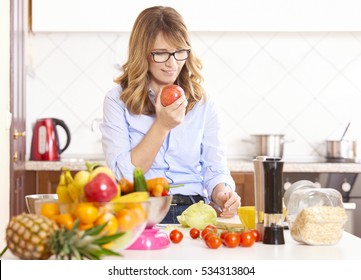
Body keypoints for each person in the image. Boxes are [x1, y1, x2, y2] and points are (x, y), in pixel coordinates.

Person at [100, 6, 241, 223]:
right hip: (141, 210)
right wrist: (162, 126)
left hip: (194, 211)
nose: (172, 63)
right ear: (142, 52)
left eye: (179, 52)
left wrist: (223, 192)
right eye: (161, 53)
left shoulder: (202, 102)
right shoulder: (118, 100)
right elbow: (123, 176)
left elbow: (214, 167)